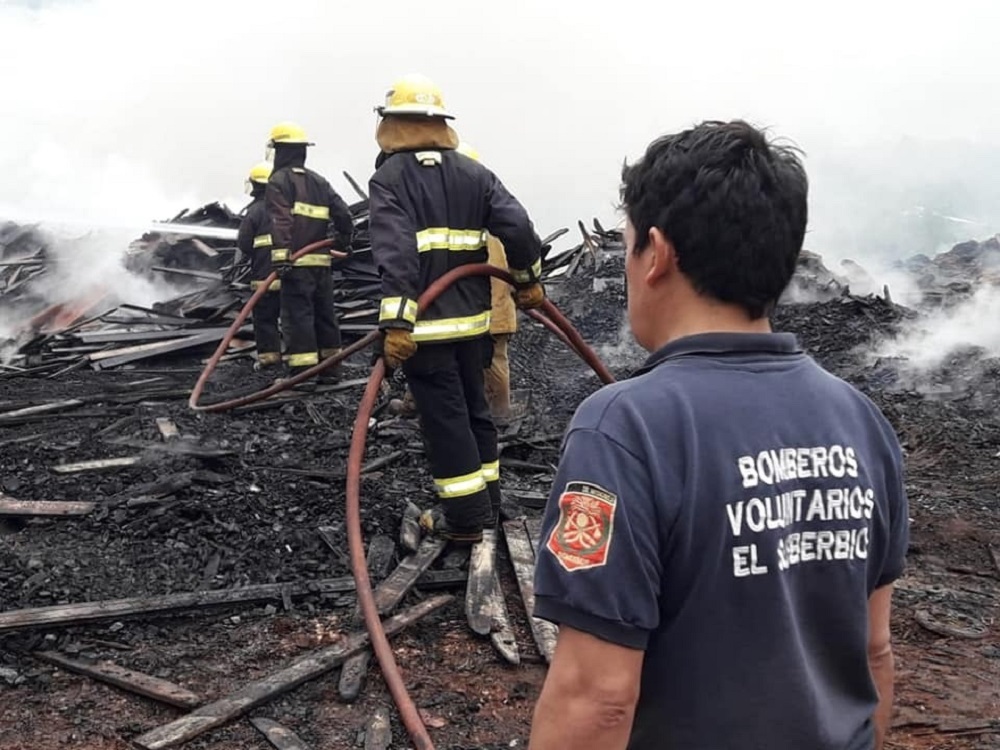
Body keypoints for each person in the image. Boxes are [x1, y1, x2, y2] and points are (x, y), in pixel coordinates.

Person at [528, 120, 909, 750]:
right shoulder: (861, 421)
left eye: (628, 248)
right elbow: (875, 653)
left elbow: (596, 699)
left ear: (658, 253)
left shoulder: (624, 429)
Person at [368, 73, 545, 542]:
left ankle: (467, 522)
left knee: (446, 423)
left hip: (426, 334)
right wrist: (528, 279)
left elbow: (396, 253)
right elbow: (519, 225)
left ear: (393, 125)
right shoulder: (473, 172)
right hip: (474, 327)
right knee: (475, 412)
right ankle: (487, 502)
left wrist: (398, 324)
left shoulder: (389, 179)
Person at [388, 140, 525, 424]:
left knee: (480, 362)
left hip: (482, 310)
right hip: (483, 309)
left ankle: (497, 413)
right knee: (469, 361)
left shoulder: (477, 227)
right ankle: (482, 412)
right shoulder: (490, 218)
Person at [264, 121, 354, 384]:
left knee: (298, 316)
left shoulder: (278, 181)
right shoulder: (319, 181)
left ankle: (301, 375)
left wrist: (281, 257)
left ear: (280, 151)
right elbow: (344, 214)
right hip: (321, 263)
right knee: (325, 313)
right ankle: (330, 370)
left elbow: (281, 221)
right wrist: (343, 239)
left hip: (296, 262)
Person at [236, 161, 282, 369]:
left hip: (264, 276)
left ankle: (270, 358)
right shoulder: (285, 206)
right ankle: (297, 358)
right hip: (290, 274)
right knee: (293, 317)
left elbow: (244, 243)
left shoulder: (254, 212)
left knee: (265, 319)